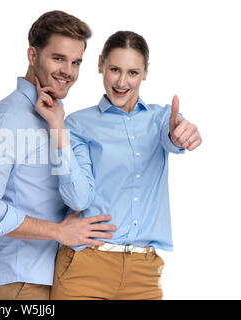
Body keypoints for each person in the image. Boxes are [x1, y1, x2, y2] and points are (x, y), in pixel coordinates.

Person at [36, 30, 202, 300]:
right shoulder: (76, 124)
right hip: (85, 267)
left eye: (133, 73)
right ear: (100, 64)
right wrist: (57, 128)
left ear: (146, 72)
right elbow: (77, 198)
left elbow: (173, 137)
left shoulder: (161, 119)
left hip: (144, 274)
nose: (122, 82)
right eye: (114, 69)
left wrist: (180, 134)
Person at [0, 11, 116, 300]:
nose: (68, 72)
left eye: (76, 62)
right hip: (21, 282)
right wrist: (60, 232)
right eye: (58, 58)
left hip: (49, 277)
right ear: (33, 56)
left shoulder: (52, 114)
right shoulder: (10, 118)